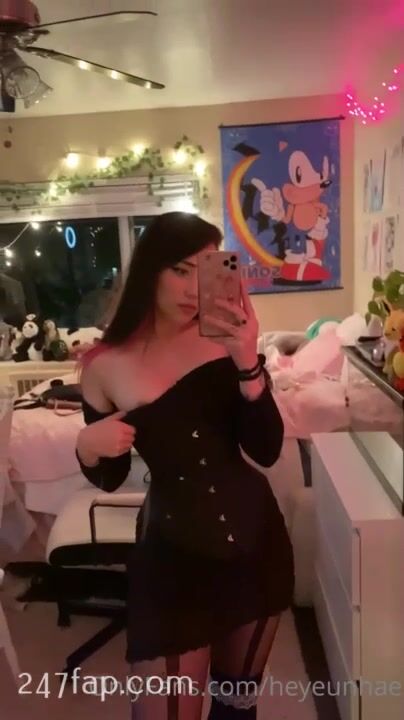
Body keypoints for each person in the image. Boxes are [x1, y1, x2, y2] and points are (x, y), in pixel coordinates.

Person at [76, 212, 295, 719]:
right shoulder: (104, 365)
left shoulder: (225, 343)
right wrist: (87, 446)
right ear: (149, 270)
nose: (193, 289)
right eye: (180, 270)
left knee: (236, 706)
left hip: (256, 545)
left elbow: (266, 449)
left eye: (206, 270)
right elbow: (108, 476)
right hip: (173, 558)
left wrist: (248, 362)